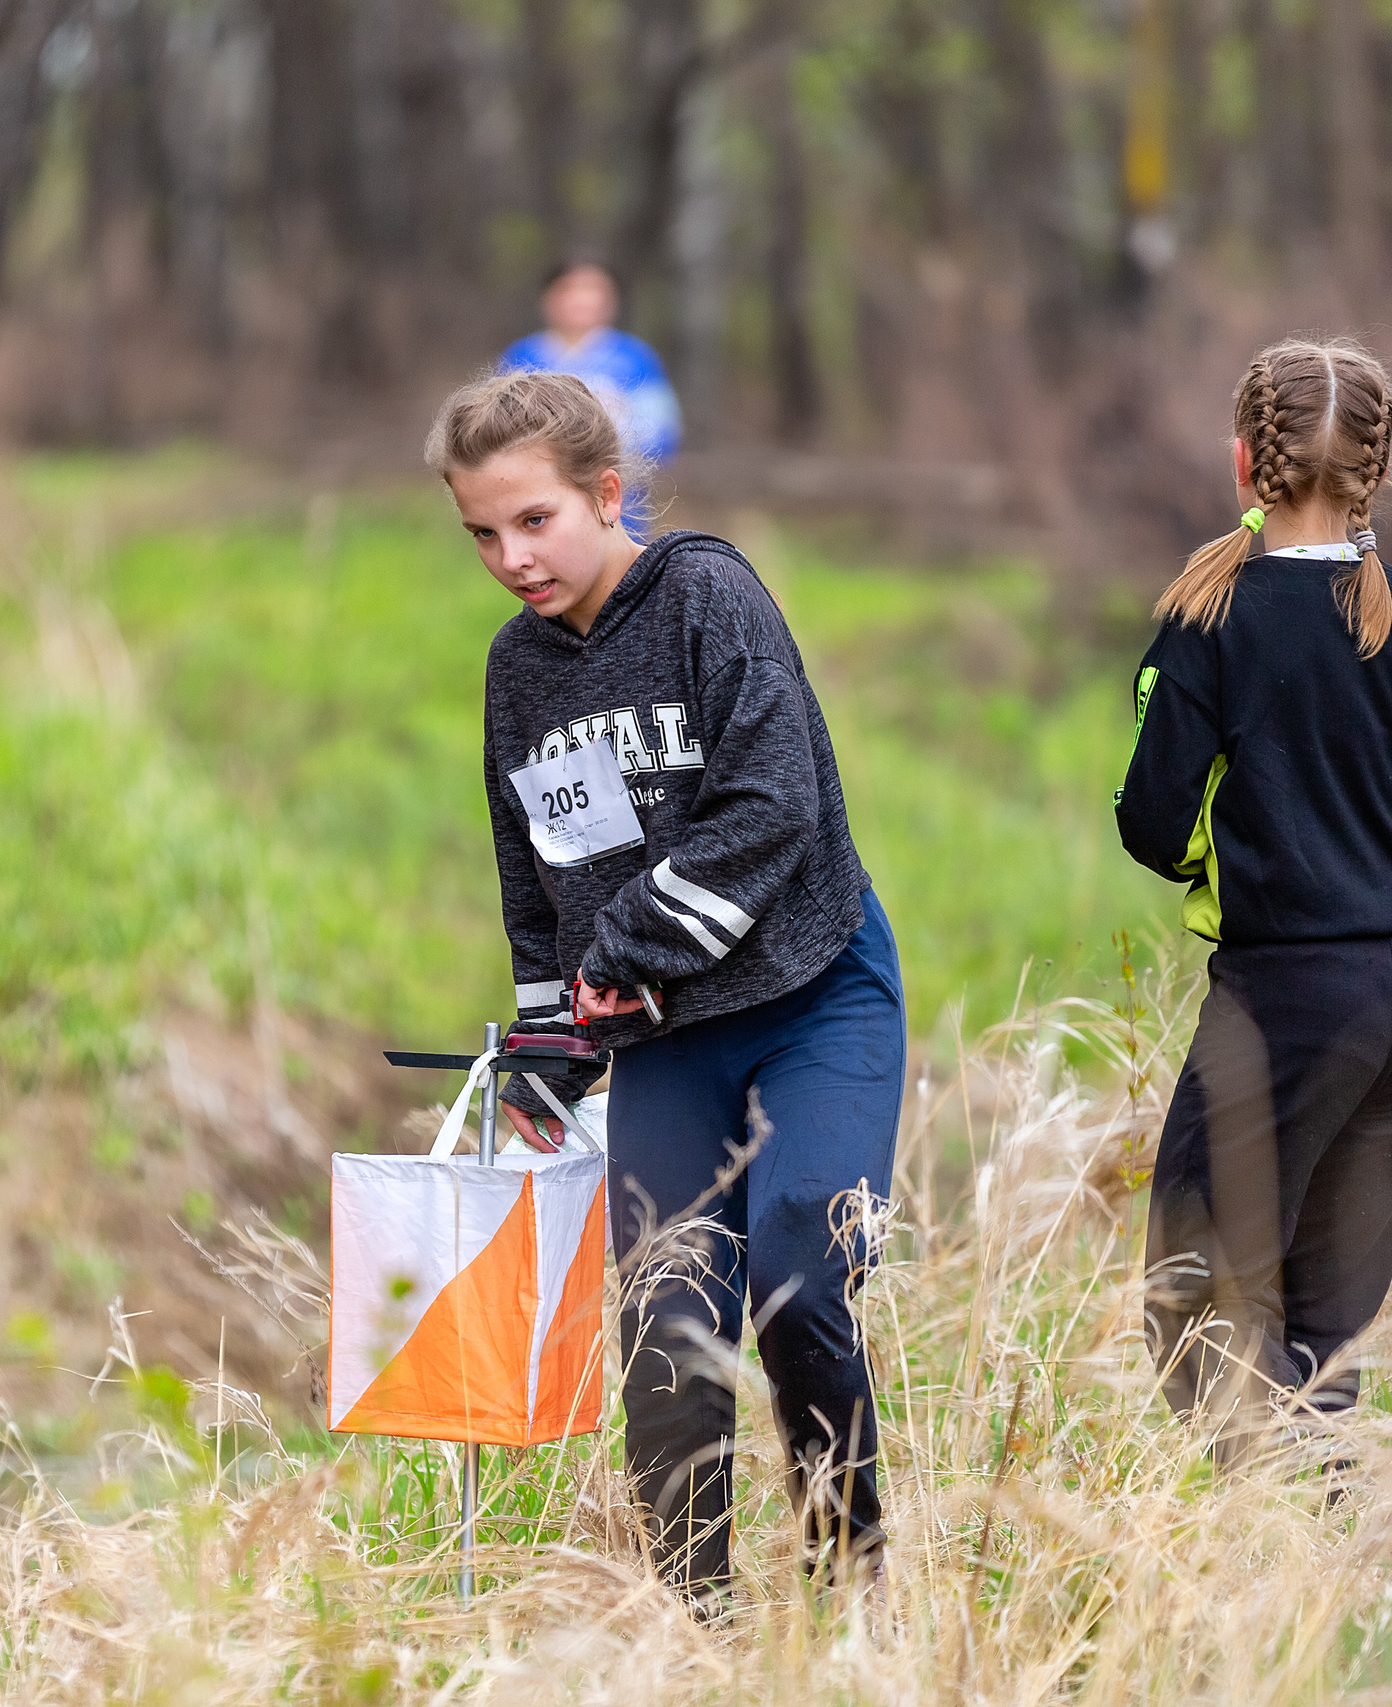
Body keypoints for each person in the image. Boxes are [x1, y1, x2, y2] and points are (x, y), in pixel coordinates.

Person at [425, 369, 902, 1607]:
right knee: (665, 1326)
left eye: (535, 521)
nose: (511, 556)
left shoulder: (704, 595)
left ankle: (852, 1577)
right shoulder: (515, 671)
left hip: (814, 991)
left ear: (605, 491)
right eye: (482, 532)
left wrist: (622, 953)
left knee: (803, 1261)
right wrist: (551, 1038)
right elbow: (534, 874)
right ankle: (695, 1624)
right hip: (666, 1040)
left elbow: (772, 808)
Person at [1114, 337, 1392, 1458]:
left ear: (1245, 459)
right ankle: (1319, 1587)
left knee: (1194, 1305)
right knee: (1319, 1341)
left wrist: (1254, 851)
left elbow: (1149, 825)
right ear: (1376, 471)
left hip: (1287, 1004)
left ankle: (1258, 1569)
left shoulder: (1212, 622)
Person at [499, 261, 682, 523]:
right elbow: (497, 431)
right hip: (536, 501)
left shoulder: (635, 359)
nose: (582, 300)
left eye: (594, 290)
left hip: (619, 502)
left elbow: (662, 433)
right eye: (569, 289)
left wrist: (598, 460)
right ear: (548, 298)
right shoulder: (521, 358)